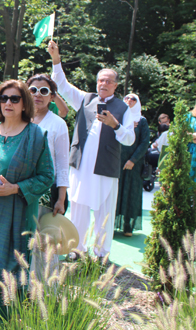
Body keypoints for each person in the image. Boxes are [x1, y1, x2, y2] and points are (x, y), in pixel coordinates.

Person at [47, 40, 135, 259]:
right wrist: (56, 59)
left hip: (106, 168)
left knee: (105, 211)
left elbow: (130, 139)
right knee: (78, 208)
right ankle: (77, 248)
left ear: (115, 85)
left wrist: (115, 125)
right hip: (81, 166)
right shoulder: (85, 99)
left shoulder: (123, 108)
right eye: (100, 80)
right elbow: (63, 86)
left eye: (108, 81)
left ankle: (101, 253)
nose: (103, 84)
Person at [0, 80, 54, 315]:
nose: (8, 103)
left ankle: (8, 318)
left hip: (19, 216)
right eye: (3, 98)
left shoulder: (35, 135)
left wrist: (16, 188)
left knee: (13, 269)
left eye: (14, 99)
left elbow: (46, 176)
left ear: (24, 103)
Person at [27, 74, 69, 216]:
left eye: (44, 91)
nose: (38, 94)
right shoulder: (18, 119)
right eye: (33, 90)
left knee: (40, 236)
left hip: (45, 192)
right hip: (18, 189)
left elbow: (62, 163)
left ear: (51, 97)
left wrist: (61, 199)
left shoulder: (58, 124)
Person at [115, 93, 150, 236]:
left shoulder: (141, 121)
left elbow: (144, 143)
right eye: (127, 98)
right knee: (114, 193)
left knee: (131, 193)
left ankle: (128, 226)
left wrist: (133, 160)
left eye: (133, 99)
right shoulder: (118, 117)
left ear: (138, 102)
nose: (129, 101)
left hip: (133, 164)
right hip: (116, 161)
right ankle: (110, 224)